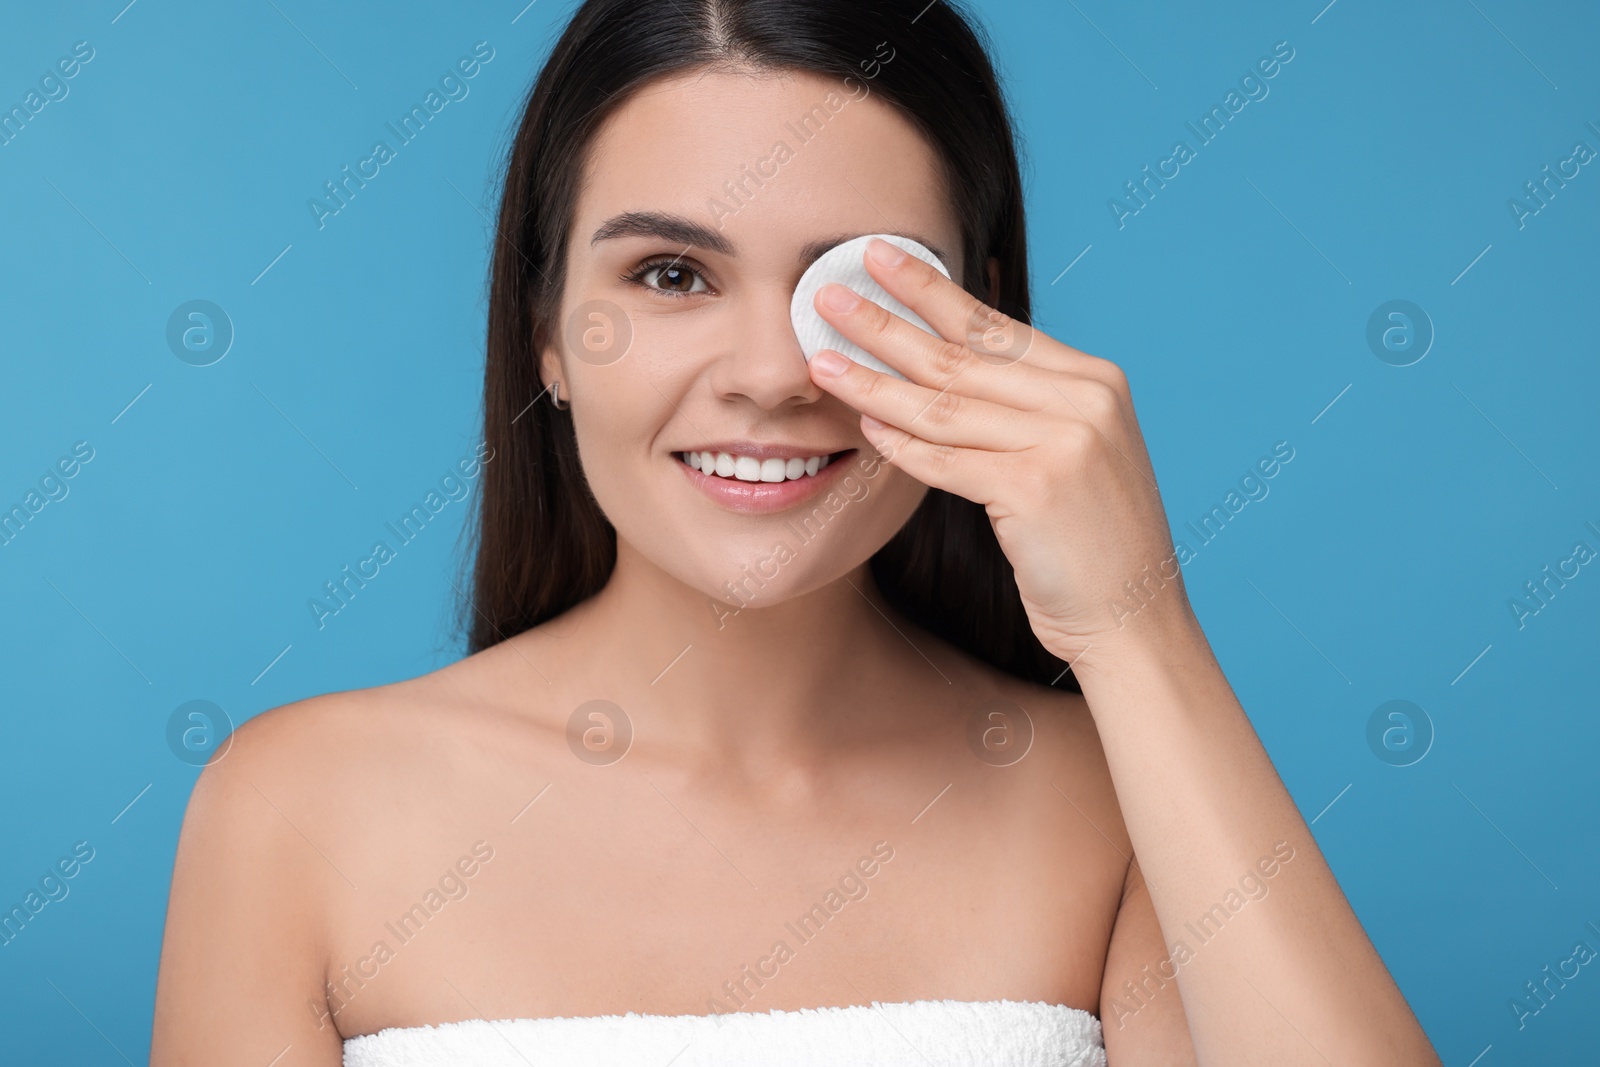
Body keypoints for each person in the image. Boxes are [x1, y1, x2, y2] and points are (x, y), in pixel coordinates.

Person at [151, 0, 1443, 1063]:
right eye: (670, 275)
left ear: (986, 324)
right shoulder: (299, 812)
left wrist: (1136, 627)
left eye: (863, 287)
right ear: (549, 326)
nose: (773, 374)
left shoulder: (1120, 805)